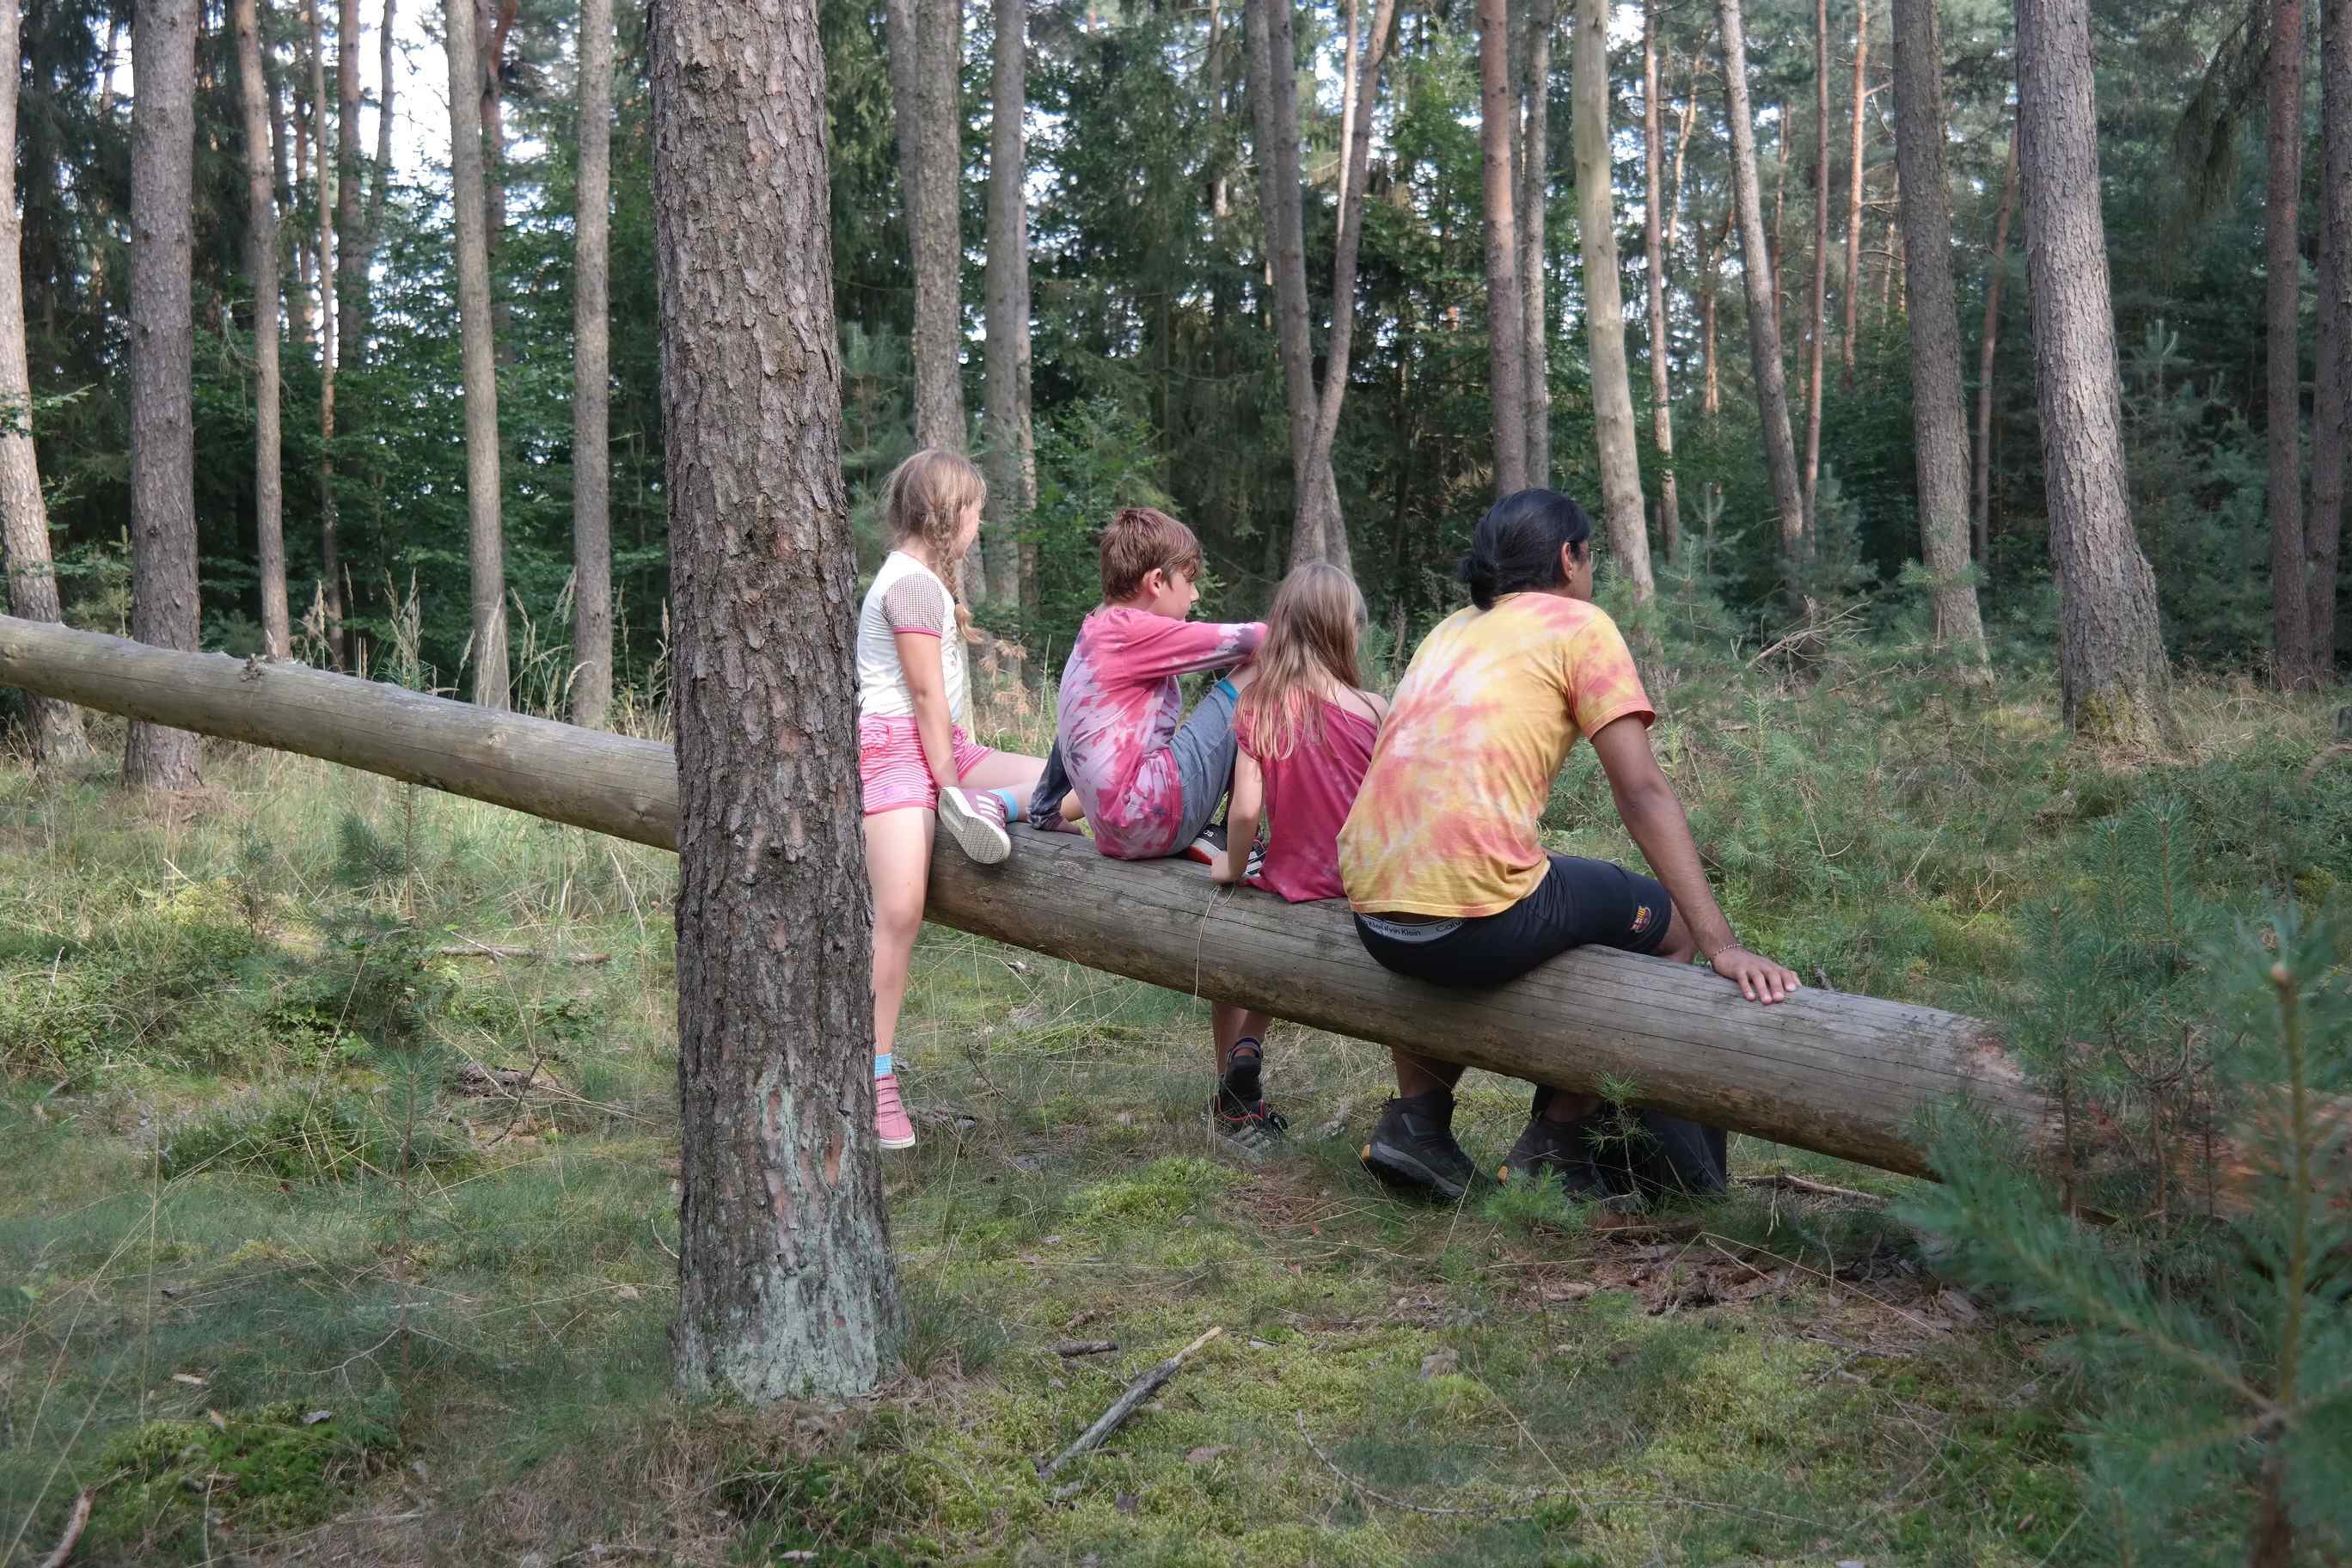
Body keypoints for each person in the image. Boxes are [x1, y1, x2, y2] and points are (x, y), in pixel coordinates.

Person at [1338, 488, 1800, 1203]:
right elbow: (1641, 789)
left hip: (1374, 914)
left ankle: (1417, 1126)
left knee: (1466, 890)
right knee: (1666, 930)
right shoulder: (1578, 625)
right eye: (1591, 555)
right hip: (1471, 921)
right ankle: (1557, 1140)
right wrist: (1721, 944)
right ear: (1568, 557)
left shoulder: (1450, 629)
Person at [856, 450, 1046, 1151]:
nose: (979, 524)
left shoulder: (926, 584)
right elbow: (924, 694)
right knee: (901, 910)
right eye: (975, 512)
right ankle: (875, 1080)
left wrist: (966, 782)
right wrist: (948, 787)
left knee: (1077, 778)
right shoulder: (907, 584)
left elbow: (944, 710)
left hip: (946, 748)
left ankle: (998, 811)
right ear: (946, 515)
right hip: (897, 752)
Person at [1204, 562, 1388, 1155]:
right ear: (1343, 632)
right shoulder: (1375, 709)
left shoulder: (1258, 705)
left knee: (1239, 943)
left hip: (1291, 878)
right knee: (1266, 945)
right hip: (1361, 886)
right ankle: (1247, 1061)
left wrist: (1233, 867)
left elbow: (1243, 812)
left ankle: (1235, 1082)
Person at [1024, 506, 1265, 867]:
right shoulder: (1132, 630)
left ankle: (1218, 833)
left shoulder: (1096, 629)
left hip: (1116, 831)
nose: (1195, 594)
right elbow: (1258, 639)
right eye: (1189, 580)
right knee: (1256, 669)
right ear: (1156, 582)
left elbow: (1070, 729)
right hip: (1154, 814)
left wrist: (1044, 807)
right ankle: (1245, 834)